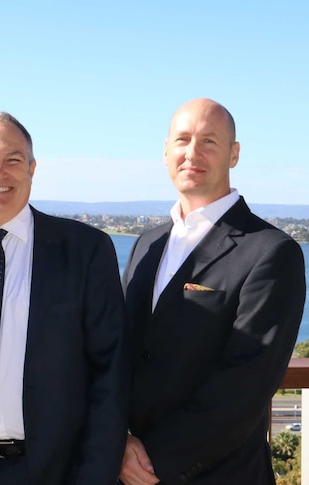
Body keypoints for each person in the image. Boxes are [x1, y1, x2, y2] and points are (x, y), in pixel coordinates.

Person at [0, 112, 129, 484]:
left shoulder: (85, 250)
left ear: (32, 168)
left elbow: (111, 376)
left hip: (56, 471)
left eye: (13, 160)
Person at [120, 98, 306, 485]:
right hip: (126, 465)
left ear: (233, 154)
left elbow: (245, 384)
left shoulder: (271, 252)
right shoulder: (147, 244)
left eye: (209, 141)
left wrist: (154, 462)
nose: (192, 153)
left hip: (217, 474)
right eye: (183, 140)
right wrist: (117, 442)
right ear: (165, 151)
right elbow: (118, 349)